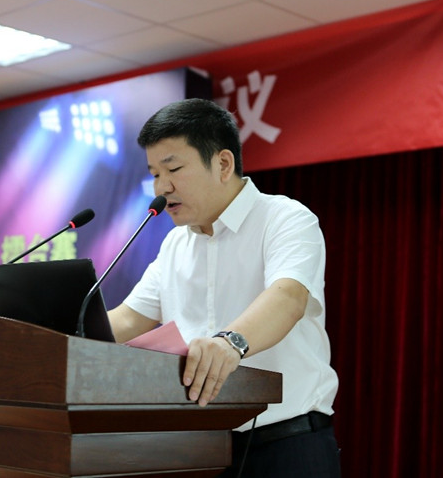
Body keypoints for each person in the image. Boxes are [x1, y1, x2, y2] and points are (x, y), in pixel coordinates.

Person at [108, 98, 340, 478]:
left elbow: (287, 297)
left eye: (174, 169)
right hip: (199, 452)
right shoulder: (175, 244)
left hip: (287, 445)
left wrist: (230, 342)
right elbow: (129, 319)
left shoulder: (285, 218)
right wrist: (58, 339)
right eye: (154, 174)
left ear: (223, 164)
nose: (162, 188)